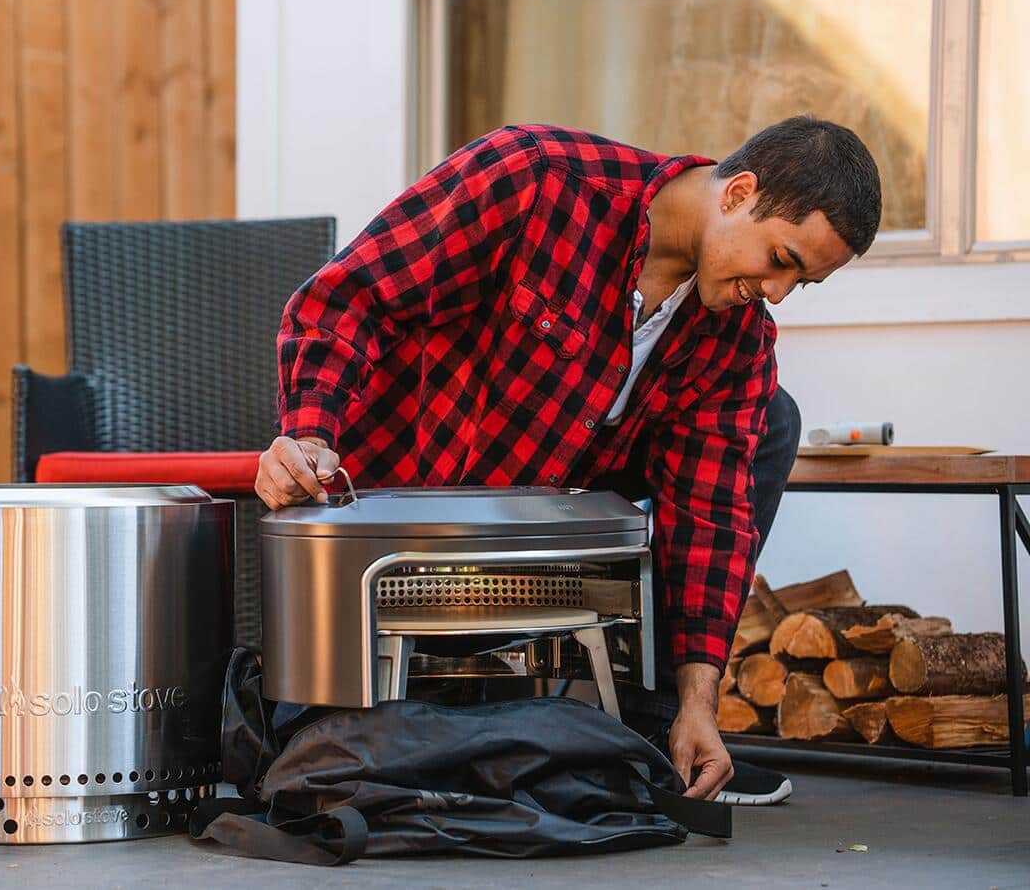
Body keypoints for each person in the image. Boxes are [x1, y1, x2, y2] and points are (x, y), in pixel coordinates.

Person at [255, 116, 881, 805]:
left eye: (803, 283)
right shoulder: (535, 178)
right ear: (736, 193)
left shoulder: (736, 336)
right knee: (346, 765)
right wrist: (309, 437)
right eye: (782, 259)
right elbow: (347, 298)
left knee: (770, 417)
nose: (776, 292)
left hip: (539, 509)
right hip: (401, 511)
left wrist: (701, 700)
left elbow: (710, 516)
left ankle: (659, 728)